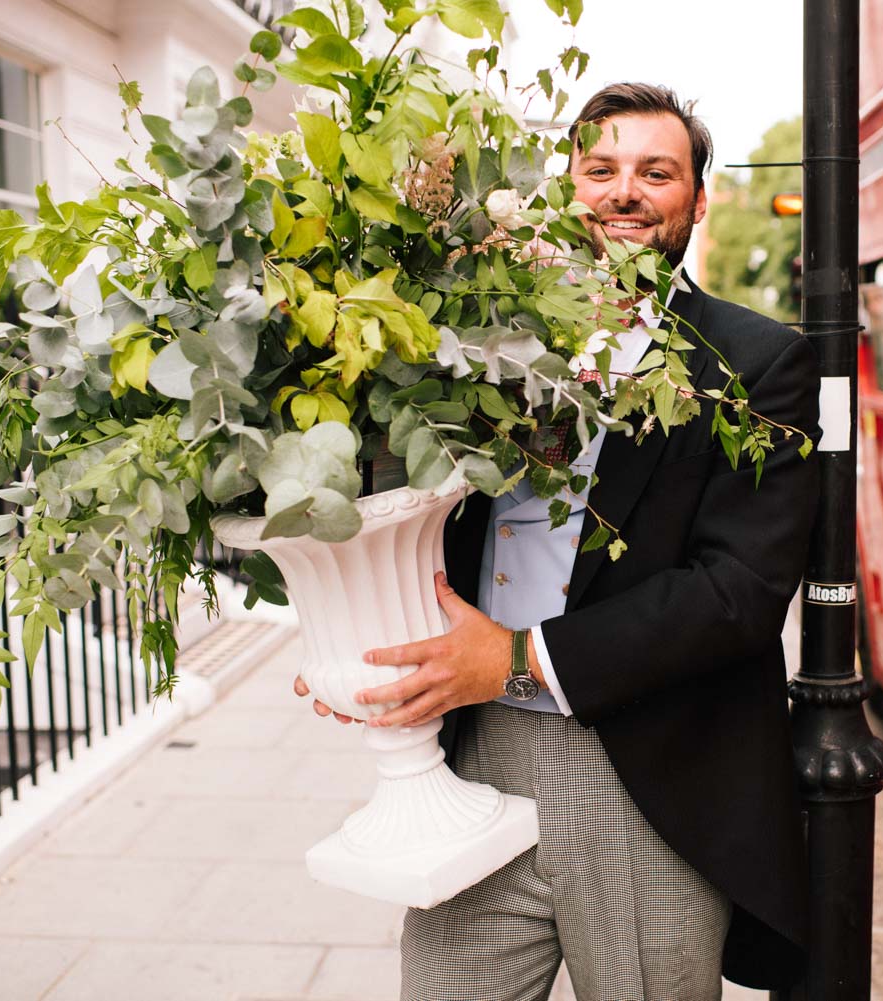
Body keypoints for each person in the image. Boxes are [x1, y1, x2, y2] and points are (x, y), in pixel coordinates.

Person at [296, 83, 821, 1001]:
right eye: (600, 169)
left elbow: (735, 591)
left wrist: (514, 657)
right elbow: (409, 517)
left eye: (656, 173)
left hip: (648, 769)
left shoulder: (758, 362)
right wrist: (360, 640)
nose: (625, 192)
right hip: (477, 755)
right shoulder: (476, 341)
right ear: (566, 190)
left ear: (697, 200)